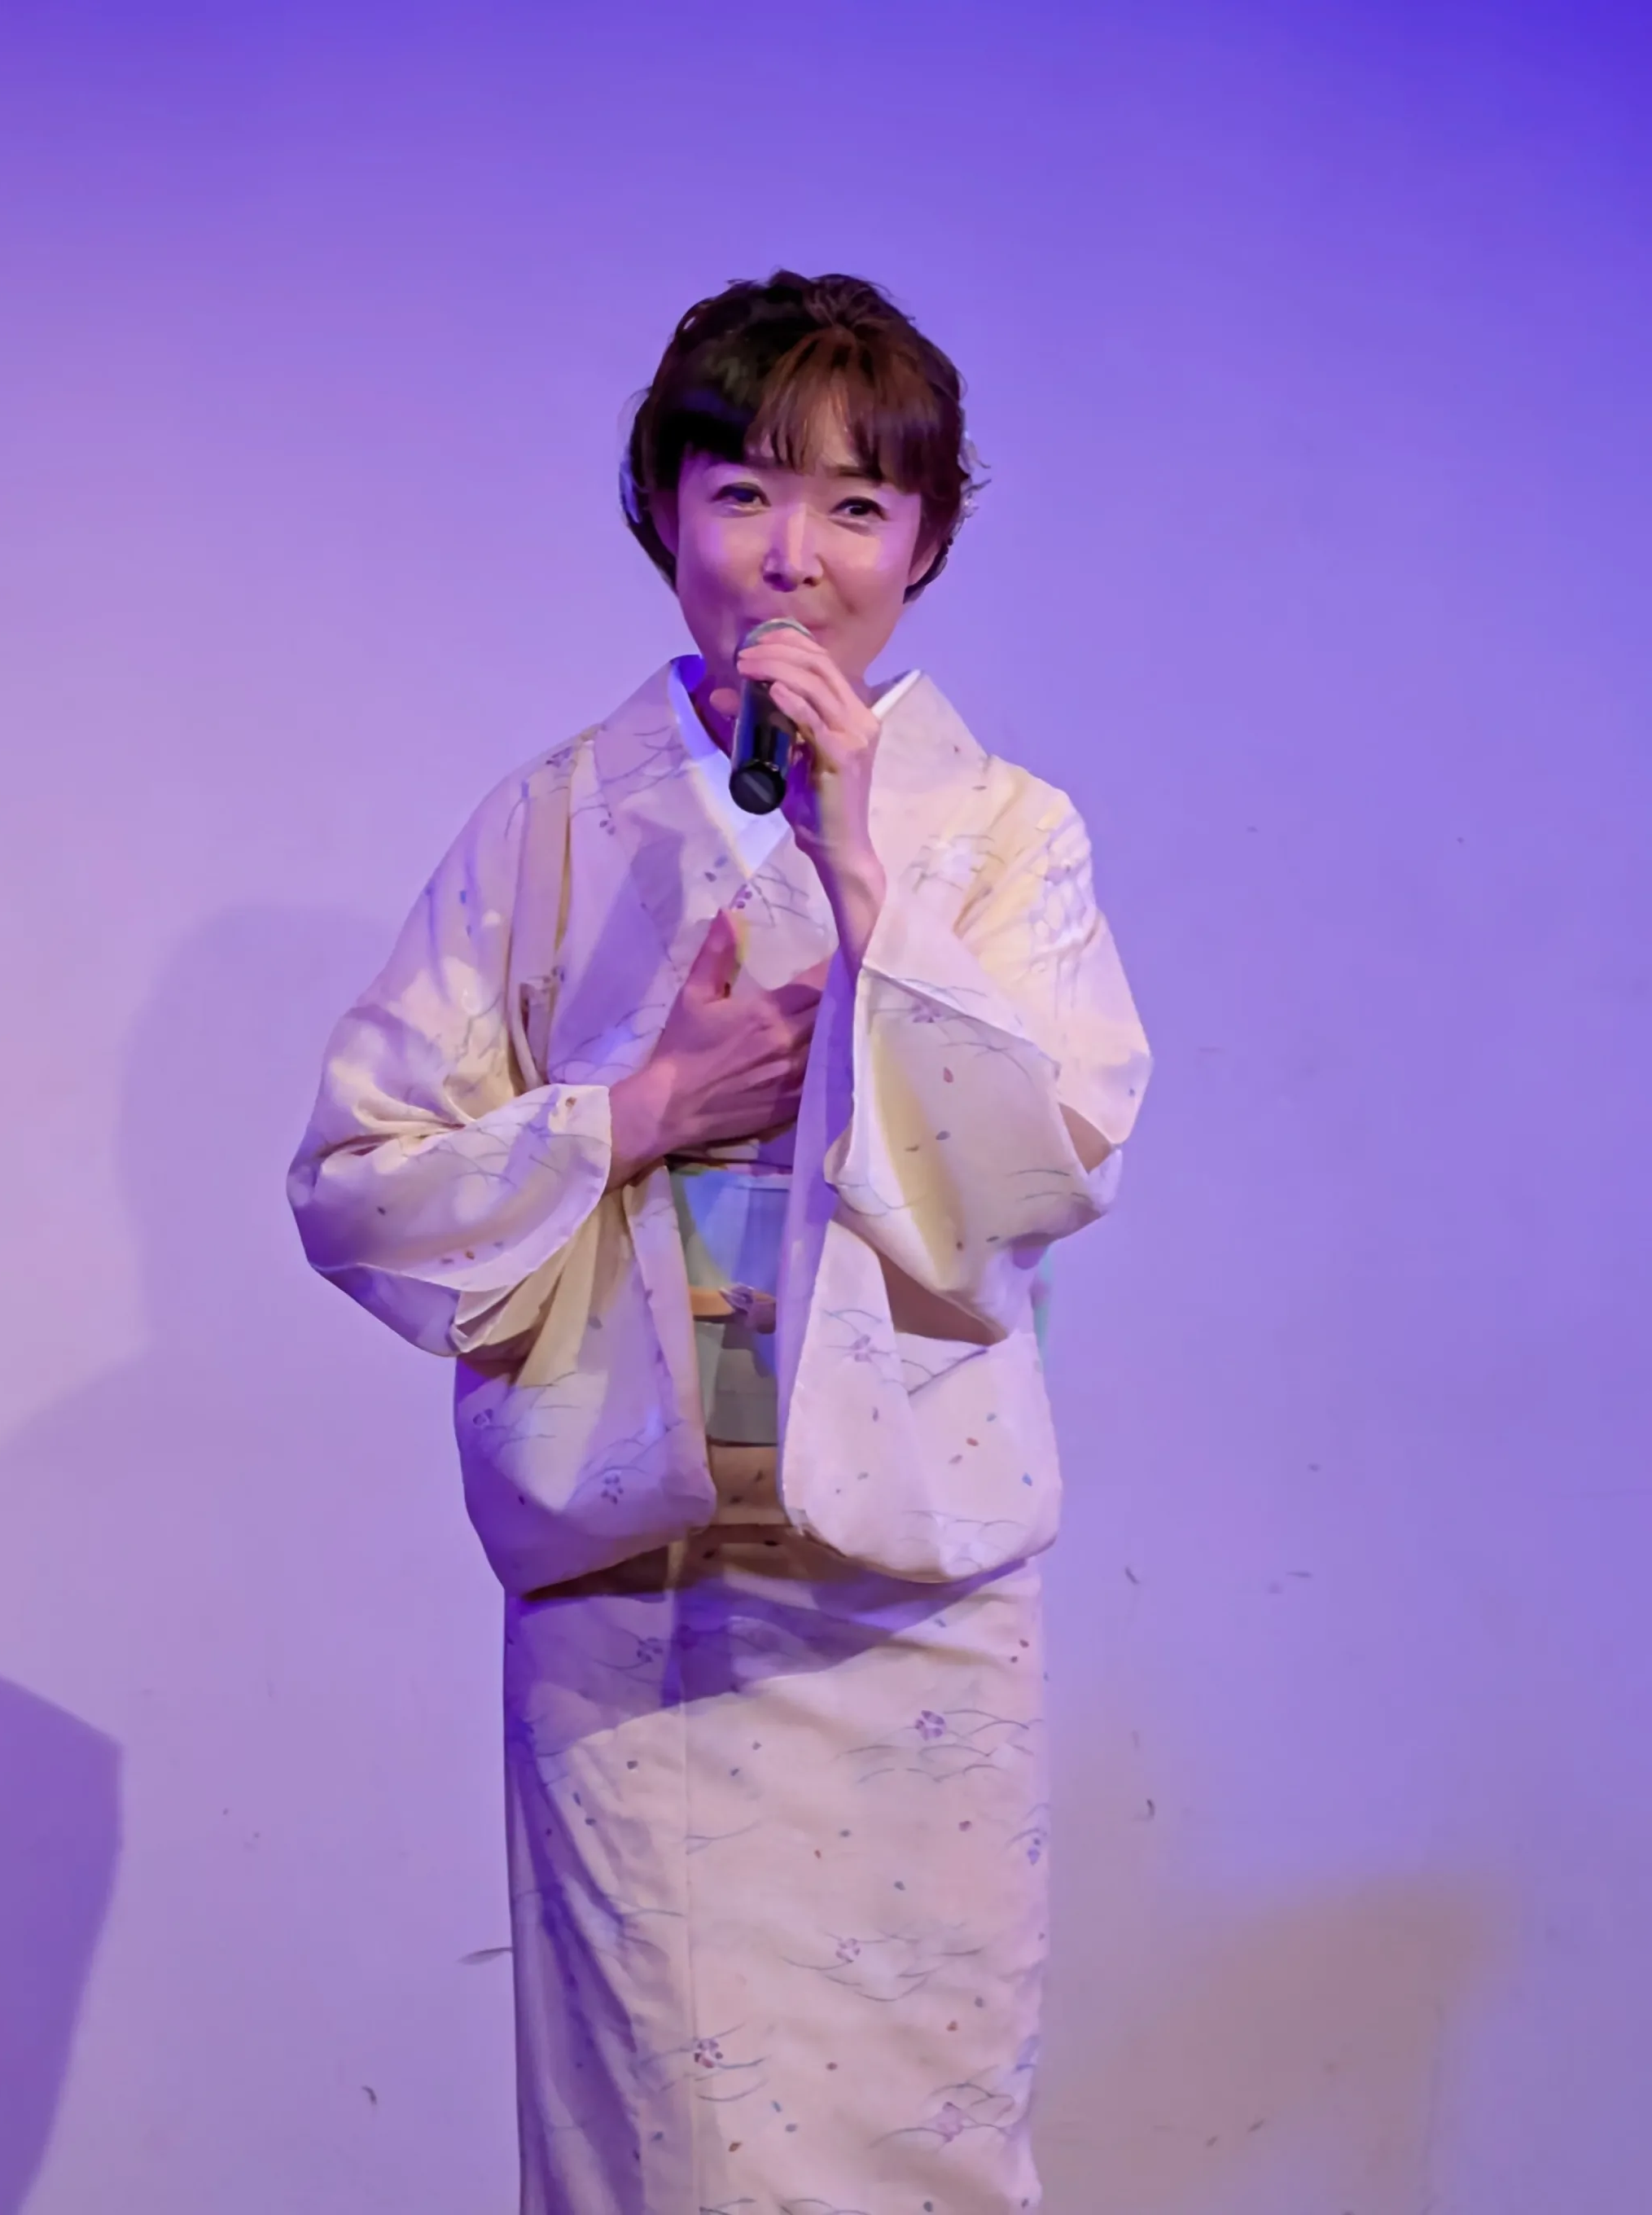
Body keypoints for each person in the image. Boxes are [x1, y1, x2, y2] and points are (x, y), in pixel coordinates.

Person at [288, 270, 1151, 2215]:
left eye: (856, 503)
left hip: (914, 1601)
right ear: (662, 508)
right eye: (745, 490)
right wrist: (637, 1111)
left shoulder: (1002, 834)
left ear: (924, 542)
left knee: (930, 2139)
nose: (792, 555)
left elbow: (1055, 1159)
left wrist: (862, 872)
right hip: (638, 1601)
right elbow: (358, 1177)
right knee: (666, 2152)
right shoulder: (549, 826)